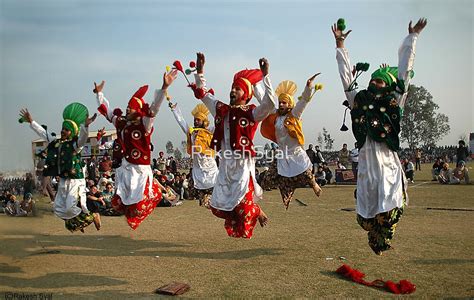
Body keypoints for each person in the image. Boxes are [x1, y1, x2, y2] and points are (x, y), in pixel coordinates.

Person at [332, 17, 427, 254]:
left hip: (387, 165)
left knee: (389, 213)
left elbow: (404, 73)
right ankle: (377, 233)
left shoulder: (394, 101)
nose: (374, 82)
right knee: (364, 220)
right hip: (365, 165)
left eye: (379, 80)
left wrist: (412, 38)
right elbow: (346, 80)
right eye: (372, 79)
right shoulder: (359, 100)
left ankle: (385, 233)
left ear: (387, 86)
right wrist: (340, 46)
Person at [186, 52, 275, 238]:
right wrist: (200, 71)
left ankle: (256, 211)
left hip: (242, 163)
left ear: (246, 95)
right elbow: (203, 94)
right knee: (221, 205)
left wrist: (266, 75)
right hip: (225, 163)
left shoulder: (251, 113)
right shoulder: (220, 109)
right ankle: (254, 210)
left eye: (238, 89)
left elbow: (269, 104)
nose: (233, 91)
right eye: (232, 88)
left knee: (242, 204)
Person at [93, 69, 178, 229]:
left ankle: (156, 192)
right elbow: (108, 111)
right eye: (127, 107)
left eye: (130, 108)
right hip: (124, 169)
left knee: (139, 206)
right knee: (119, 205)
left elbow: (154, 109)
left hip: (140, 170)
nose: (127, 110)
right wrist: (99, 95)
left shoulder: (144, 124)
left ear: (138, 110)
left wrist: (164, 88)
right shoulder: (121, 122)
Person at [19, 104, 98, 232]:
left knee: (70, 208)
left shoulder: (75, 145)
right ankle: (77, 222)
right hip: (63, 179)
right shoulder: (56, 143)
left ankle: (92, 215)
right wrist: (31, 121)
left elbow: (83, 139)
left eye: (66, 130)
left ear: (72, 132)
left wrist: (86, 126)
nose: (63, 131)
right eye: (62, 129)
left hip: (75, 180)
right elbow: (43, 133)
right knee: (58, 208)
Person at [260, 74, 323, 209]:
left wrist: (308, 86)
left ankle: (314, 185)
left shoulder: (294, 114)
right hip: (282, 153)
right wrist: (257, 84)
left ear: (290, 104)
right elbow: (265, 99)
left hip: (295, 151)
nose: (281, 104)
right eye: (280, 102)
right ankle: (260, 192)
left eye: (284, 102)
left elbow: (304, 100)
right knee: (270, 177)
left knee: (306, 173)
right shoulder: (275, 116)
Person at [169, 101, 218, 208]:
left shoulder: (210, 131)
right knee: (201, 199)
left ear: (204, 121)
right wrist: (175, 110)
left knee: (213, 199)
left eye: (198, 120)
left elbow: (220, 124)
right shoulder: (191, 132)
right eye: (195, 119)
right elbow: (182, 122)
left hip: (211, 168)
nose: (196, 121)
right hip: (197, 169)